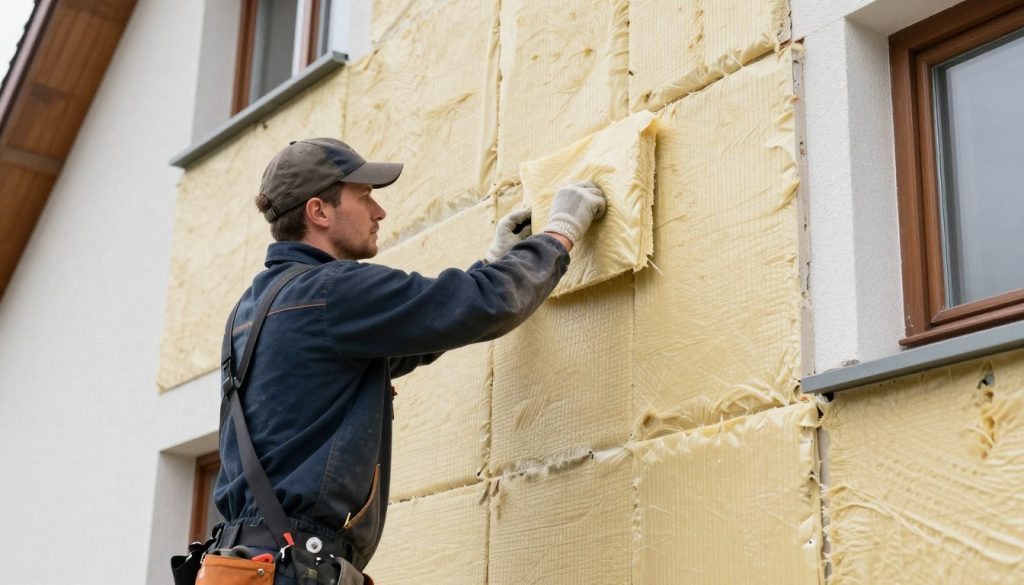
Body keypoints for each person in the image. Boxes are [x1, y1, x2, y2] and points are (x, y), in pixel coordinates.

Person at [212, 138, 605, 584]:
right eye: (364, 198)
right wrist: (558, 236)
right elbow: (485, 306)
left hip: (248, 563)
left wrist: (493, 262)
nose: (379, 212)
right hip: (292, 567)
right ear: (319, 212)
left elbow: (418, 333)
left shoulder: (251, 310)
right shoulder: (332, 291)